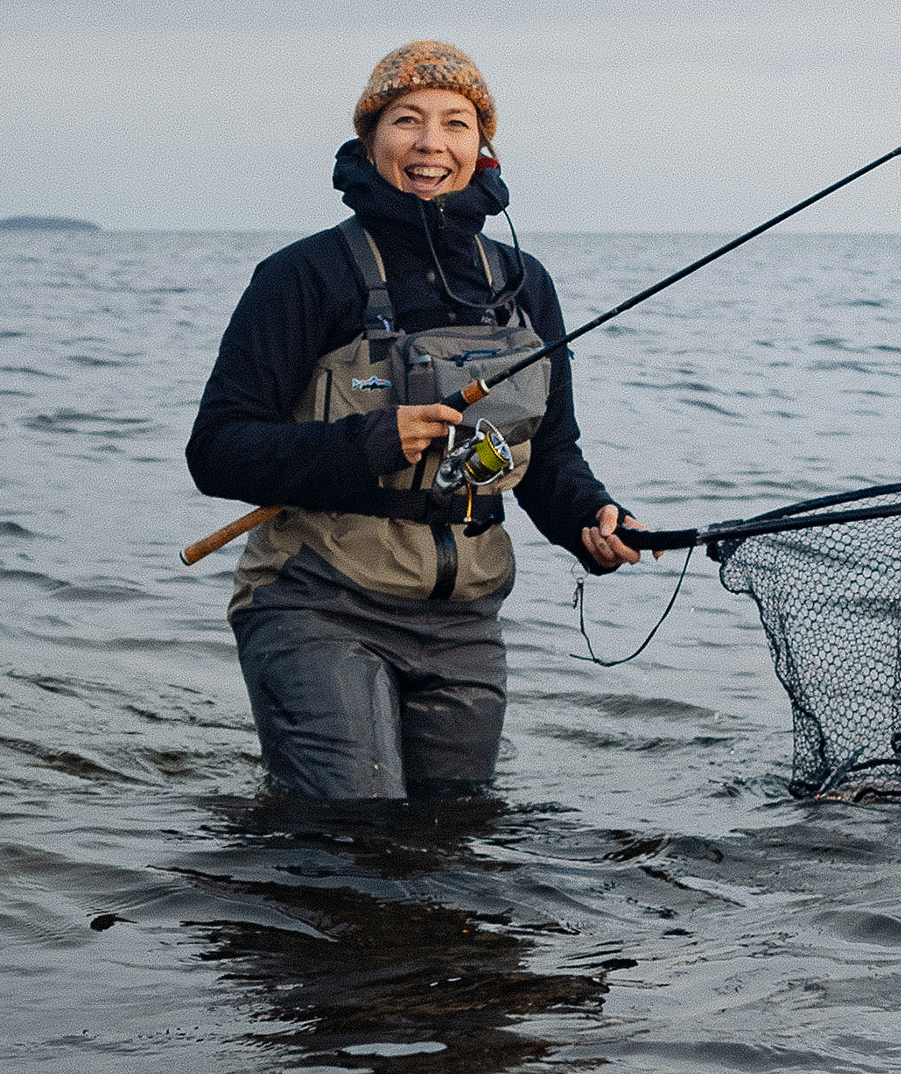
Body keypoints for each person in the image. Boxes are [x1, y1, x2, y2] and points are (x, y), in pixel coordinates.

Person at [186, 40, 646, 802]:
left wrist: (591, 521)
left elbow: (550, 452)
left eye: (457, 123)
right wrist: (366, 441)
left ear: (482, 145)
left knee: (453, 843)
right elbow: (218, 450)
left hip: (465, 620)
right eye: (408, 120)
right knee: (353, 830)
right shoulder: (304, 276)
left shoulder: (525, 284)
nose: (432, 144)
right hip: (317, 601)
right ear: (371, 140)